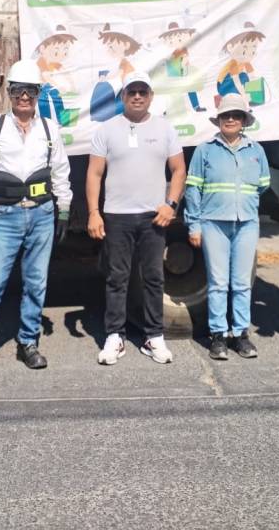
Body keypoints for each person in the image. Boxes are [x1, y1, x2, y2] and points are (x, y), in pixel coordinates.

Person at [0, 60, 73, 375]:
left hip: (42, 215)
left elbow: (60, 171)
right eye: (18, 90)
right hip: (5, 217)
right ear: (9, 92)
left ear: (37, 94)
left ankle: (29, 341)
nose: (24, 97)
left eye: (30, 91)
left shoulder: (50, 128)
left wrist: (64, 211)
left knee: (36, 283)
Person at [86, 71, 186, 365]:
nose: (138, 96)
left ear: (151, 96)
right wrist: (93, 212)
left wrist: (171, 204)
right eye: (132, 91)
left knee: (153, 278)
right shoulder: (106, 130)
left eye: (143, 91)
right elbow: (94, 173)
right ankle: (115, 336)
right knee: (117, 278)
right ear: (123, 96)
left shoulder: (165, 129)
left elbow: (179, 170)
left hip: (153, 217)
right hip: (117, 216)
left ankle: (153, 336)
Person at [184, 94, 270, 360]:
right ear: (218, 120)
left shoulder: (256, 151)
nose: (230, 119)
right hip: (213, 224)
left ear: (244, 120)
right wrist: (193, 225)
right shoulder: (205, 149)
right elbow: (192, 189)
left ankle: (241, 335)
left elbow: (263, 184)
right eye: (225, 116)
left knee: (242, 283)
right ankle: (218, 336)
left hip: (246, 223)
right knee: (218, 283)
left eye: (235, 115)